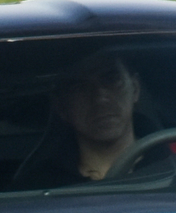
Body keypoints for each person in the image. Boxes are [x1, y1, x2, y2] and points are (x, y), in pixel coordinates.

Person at [12, 51, 145, 187]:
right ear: (61, 107)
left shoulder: (166, 157)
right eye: (79, 88)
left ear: (135, 89)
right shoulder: (39, 185)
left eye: (111, 79)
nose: (100, 98)